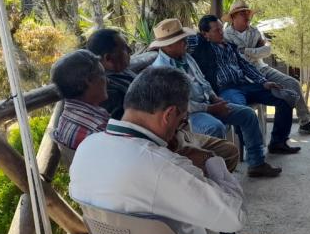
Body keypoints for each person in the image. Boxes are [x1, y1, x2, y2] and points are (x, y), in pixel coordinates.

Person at [69, 67, 285, 234]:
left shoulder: (88, 147)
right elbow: (234, 215)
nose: (181, 127)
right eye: (182, 119)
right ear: (169, 114)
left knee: (220, 228)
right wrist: (210, 160)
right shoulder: (162, 165)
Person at [85, 28, 240, 172]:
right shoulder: (107, 92)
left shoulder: (125, 72)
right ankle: (205, 192)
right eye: (125, 49)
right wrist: (174, 143)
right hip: (160, 142)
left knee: (229, 151)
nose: (131, 51)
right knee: (217, 157)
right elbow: (133, 137)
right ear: (108, 58)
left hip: (175, 129)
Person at [149, 18, 283, 178]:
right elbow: (181, 106)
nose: (186, 42)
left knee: (247, 114)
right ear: (169, 45)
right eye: (182, 40)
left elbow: (203, 81)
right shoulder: (161, 70)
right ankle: (217, 176)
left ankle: (256, 163)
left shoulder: (186, 58)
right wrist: (210, 108)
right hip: (189, 115)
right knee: (215, 127)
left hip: (208, 104)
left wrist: (214, 98)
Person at [191, 14, 301, 155]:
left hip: (245, 85)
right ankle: (252, 154)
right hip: (227, 90)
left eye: (221, 28)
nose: (221, 32)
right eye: (216, 30)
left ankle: (278, 142)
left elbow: (246, 66)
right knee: (244, 113)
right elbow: (181, 41)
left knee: (285, 98)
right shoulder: (201, 45)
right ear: (205, 34)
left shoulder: (230, 46)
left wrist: (264, 82)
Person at [222, 0, 310, 136]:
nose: (247, 16)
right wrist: (255, 51)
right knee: (279, 96)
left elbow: (267, 50)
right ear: (234, 17)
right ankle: (255, 141)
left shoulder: (255, 32)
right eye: (243, 13)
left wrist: (246, 51)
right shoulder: (226, 35)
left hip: (261, 68)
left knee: (293, 83)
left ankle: (305, 122)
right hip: (242, 76)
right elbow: (236, 58)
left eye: (248, 13)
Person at [50, 50, 110, 150]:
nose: (108, 80)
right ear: (89, 81)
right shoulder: (98, 129)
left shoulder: (64, 119)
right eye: (103, 75)